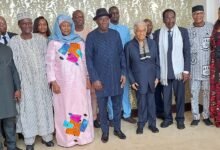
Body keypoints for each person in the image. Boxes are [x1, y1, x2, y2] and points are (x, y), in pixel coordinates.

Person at [8, 11, 54, 150]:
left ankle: (47, 137)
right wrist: (17, 86)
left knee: (44, 108)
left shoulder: (41, 39)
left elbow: (49, 61)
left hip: (41, 82)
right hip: (25, 83)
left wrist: (50, 80)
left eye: (29, 23)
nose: (27, 25)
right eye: (24, 23)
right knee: (27, 111)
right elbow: (12, 66)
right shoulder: (14, 42)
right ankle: (29, 140)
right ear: (19, 25)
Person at [46, 15, 94, 147]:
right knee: (66, 111)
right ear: (59, 27)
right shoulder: (53, 42)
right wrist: (53, 82)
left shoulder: (79, 41)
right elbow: (49, 64)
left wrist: (88, 78)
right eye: (63, 26)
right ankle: (69, 139)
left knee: (80, 109)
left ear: (71, 26)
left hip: (79, 83)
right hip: (63, 85)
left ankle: (82, 137)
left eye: (68, 25)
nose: (66, 28)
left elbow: (84, 62)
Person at [86, 8, 126, 143]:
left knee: (117, 105)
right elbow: (89, 59)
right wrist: (94, 79)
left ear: (109, 20)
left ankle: (117, 129)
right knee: (102, 108)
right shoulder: (91, 36)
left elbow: (121, 54)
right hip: (100, 80)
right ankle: (105, 131)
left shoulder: (115, 34)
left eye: (106, 19)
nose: (104, 21)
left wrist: (124, 73)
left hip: (116, 77)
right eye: (101, 19)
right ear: (97, 21)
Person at [154, 9, 190, 129]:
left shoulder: (183, 32)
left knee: (180, 97)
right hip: (165, 72)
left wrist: (186, 70)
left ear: (175, 18)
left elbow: (187, 52)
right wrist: (157, 73)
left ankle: (180, 119)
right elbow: (156, 55)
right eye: (167, 18)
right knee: (166, 99)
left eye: (172, 17)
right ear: (163, 19)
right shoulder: (158, 33)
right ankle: (168, 118)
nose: (170, 20)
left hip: (179, 72)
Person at [125, 21, 160, 134]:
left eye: (143, 30)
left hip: (152, 79)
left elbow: (157, 62)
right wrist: (132, 81)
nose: (141, 33)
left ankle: (152, 124)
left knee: (151, 103)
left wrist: (157, 77)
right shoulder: (129, 46)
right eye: (139, 30)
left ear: (146, 31)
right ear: (135, 31)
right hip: (138, 80)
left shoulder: (153, 43)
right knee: (141, 103)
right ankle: (141, 124)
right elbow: (127, 66)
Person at [107, 6, 136, 125]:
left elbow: (128, 47)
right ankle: (112, 116)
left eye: (116, 13)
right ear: (109, 16)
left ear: (119, 14)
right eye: (112, 13)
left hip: (123, 64)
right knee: (110, 92)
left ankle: (127, 114)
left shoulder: (125, 29)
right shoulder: (104, 29)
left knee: (124, 90)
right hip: (109, 66)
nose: (114, 15)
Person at [72, 10, 100, 128]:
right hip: (75, 70)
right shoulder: (69, 33)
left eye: (81, 16)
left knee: (93, 95)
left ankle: (93, 118)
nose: (79, 18)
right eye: (77, 17)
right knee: (78, 96)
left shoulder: (90, 32)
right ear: (73, 19)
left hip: (90, 68)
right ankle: (80, 121)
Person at [188, 5, 213, 126]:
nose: (198, 16)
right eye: (195, 14)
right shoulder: (188, 30)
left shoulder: (211, 27)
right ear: (192, 15)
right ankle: (195, 116)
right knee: (194, 93)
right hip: (194, 68)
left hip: (207, 67)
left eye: (200, 13)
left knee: (206, 92)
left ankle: (206, 115)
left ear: (203, 14)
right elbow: (186, 50)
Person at [0, 43, 21, 150]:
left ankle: (11, 147)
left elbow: (13, 70)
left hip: (7, 91)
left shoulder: (6, 49)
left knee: (10, 123)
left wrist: (17, 88)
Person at [144, 18, 164, 119]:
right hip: (146, 72)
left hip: (157, 68)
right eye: (146, 25)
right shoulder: (139, 39)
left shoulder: (157, 36)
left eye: (150, 25)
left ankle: (160, 112)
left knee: (158, 92)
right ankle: (149, 114)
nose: (149, 27)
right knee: (147, 94)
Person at [209, 18, 220, 127]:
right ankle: (217, 118)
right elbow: (211, 46)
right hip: (215, 63)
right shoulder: (214, 28)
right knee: (216, 91)